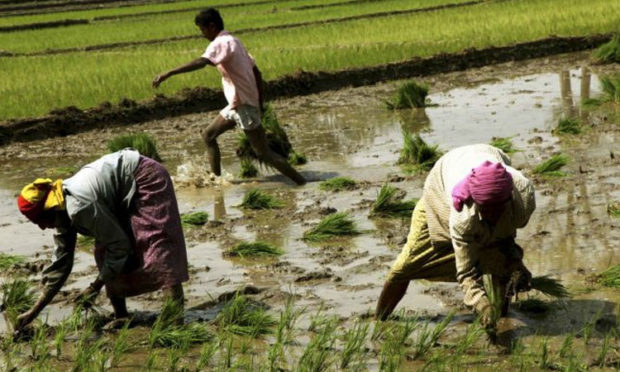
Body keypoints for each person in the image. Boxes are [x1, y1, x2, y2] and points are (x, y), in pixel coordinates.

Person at [14, 149, 189, 331]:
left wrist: (94, 287)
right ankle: (122, 315)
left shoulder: (79, 207)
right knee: (104, 251)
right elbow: (60, 265)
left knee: (156, 244)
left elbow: (120, 247)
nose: (44, 227)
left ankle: (176, 321)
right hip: (118, 188)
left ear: (50, 210)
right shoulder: (60, 208)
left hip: (145, 176)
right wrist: (32, 313)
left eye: (43, 221)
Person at [375, 144, 536, 327]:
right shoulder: (462, 215)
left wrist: (514, 263)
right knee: (405, 266)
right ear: (475, 202)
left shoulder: (524, 198)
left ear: (509, 198)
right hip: (439, 192)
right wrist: (481, 305)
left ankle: (501, 319)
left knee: (499, 259)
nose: (492, 215)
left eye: (496, 209)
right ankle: (379, 321)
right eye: (485, 209)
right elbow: (466, 273)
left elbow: (505, 238)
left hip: (485, 154)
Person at [152, 8, 306, 185]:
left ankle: (301, 182)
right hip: (240, 103)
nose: (202, 34)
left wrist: (169, 73)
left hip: (244, 104)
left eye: (202, 30)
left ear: (211, 26)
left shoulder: (221, 42)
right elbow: (257, 73)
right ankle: (217, 181)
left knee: (264, 153)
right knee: (208, 135)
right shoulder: (235, 41)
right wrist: (259, 103)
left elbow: (202, 62)